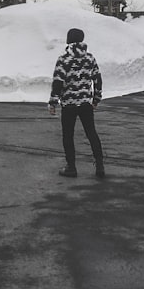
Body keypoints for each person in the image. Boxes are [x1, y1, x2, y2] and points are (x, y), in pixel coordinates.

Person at [48, 28, 105, 178]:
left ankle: (71, 167)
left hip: (69, 104)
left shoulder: (64, 60)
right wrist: (96, 99)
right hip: (86, 103)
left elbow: (58, 83)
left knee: (68, 135)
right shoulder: (90, 58)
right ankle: (99, 166)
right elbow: (97, 80)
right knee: (91, 133)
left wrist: (53, 102)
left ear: (69, 40)